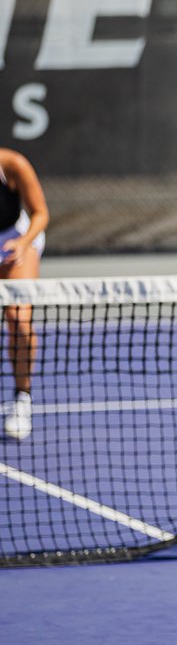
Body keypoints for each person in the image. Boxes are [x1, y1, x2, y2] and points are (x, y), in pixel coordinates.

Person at [0, 148, 49, 441]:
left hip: (16, 239)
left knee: (18, 319)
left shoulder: (13, 164)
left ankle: (22, 398)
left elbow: (41, 213)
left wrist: (23, 244)